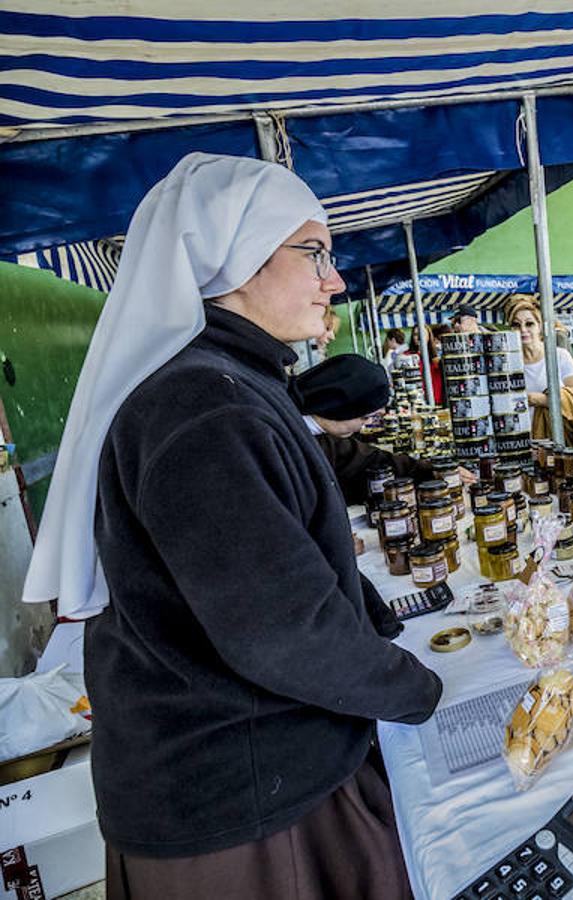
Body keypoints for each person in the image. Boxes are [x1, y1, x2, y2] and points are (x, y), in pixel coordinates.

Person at [22, 154, 441, 899]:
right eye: (314, 253)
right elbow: (282, 628)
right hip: (241, 802)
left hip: (237, 778)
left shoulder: (231, 379)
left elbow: (274, 561)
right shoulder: (204, 407)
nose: (334, 280)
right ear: (237, 260)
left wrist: (376, 624)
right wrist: (418, 689)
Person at [288, 353, 477, 503]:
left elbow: (371, 461)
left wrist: (431, 472)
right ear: (344, 410)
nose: (366, 426)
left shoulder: (324, 436)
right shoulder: (284, 434)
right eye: (367, 417)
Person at [509, 294, 573, 448]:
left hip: (559, 441)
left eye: (529, 324)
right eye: (516, 325)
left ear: (540, 326)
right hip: (520, 443)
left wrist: (539, 399)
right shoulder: (508, 364)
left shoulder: (559, 356)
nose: (523, 330)